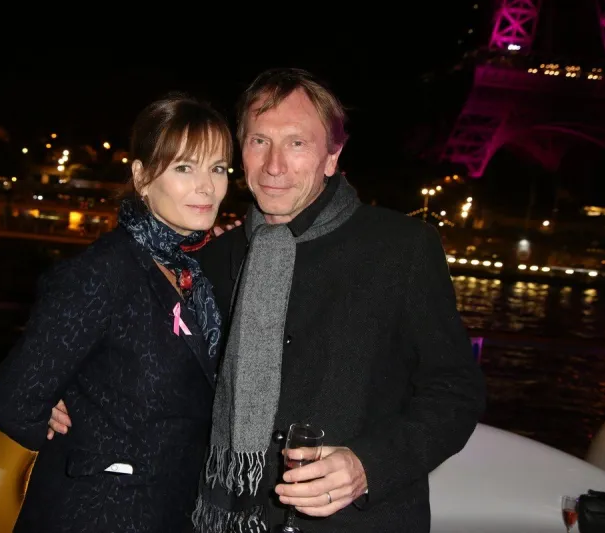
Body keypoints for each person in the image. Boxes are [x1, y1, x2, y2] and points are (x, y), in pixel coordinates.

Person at [49, 67, 487, 533]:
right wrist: (69, 386)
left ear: (332, 155)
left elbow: (457, 391)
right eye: (259, 141)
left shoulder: (402, 248)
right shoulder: (213, 256)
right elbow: (155, 363)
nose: (274, 165)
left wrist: (368, 465)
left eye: (297, 143)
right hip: (213, 518)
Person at [0, 92, 233, 533]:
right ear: (141, 176)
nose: (207, 186)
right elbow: (11, 401)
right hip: (100, 512)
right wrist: (83, 442)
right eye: (184, 168)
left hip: (173, 510)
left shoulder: (193, 270)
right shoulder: (104, 272)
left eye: (217, 169)